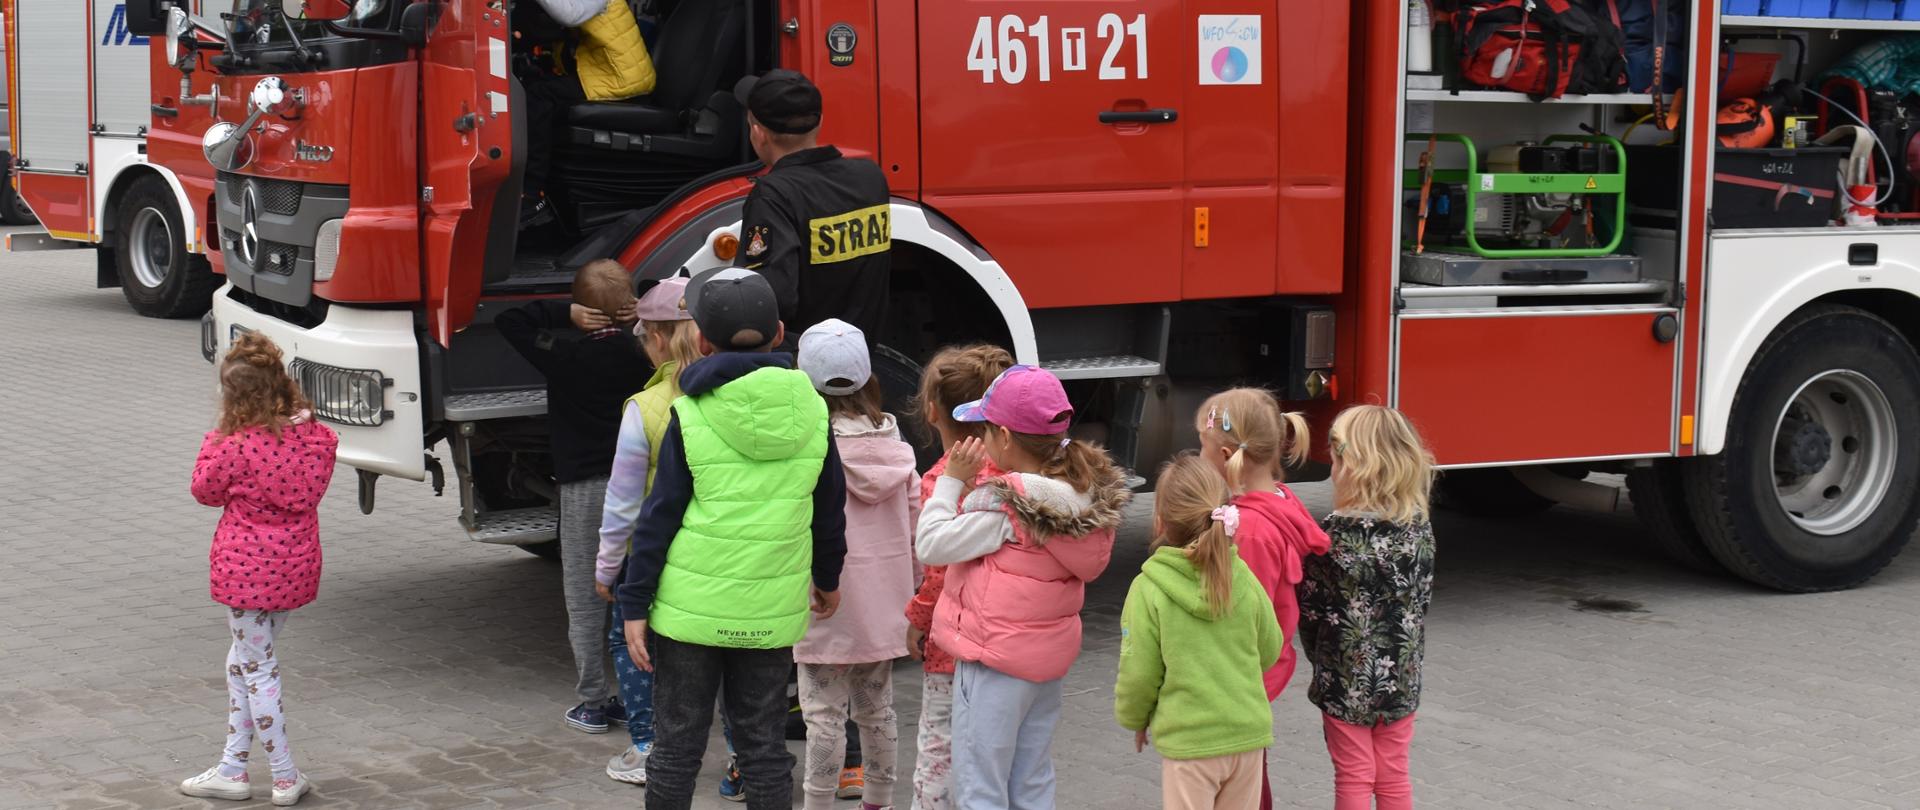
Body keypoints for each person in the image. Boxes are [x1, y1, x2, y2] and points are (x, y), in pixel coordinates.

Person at [617, 267, 849, 810]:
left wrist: (634, 600)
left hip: (688, 613)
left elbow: (660, 516)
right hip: (769, 612)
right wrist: (828, 577)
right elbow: (828, 508)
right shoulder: (814, 411)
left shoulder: (690, 411)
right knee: (763, 748)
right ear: (779, 332)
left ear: (699, 340)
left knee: (675, 750)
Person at [915, 365, 1130, 810]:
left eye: (988, 428)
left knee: (980, 786)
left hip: (993, 663)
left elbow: (931, 545)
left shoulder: (1005, 508)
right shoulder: (1077, 495)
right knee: (1031, 780)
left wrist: (952, 480)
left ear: (1006, 439)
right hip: (1043, 667)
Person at [180, 333, 337, 807]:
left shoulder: (234, 446)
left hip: (245, 570)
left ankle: (284, 776)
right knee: (243, 662)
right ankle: (231, 766)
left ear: (236, 397)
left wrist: (217, 438)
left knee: (258, 668)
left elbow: (203, 491)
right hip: (295, 566)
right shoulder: (318, 438)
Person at [497, 258, 653, 735]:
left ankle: (592, 701)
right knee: (640, 586)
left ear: (586, 311)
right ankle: (641, 693)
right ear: (627, 308)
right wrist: (637, 312)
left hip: (585, 489)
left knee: (586, 595)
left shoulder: (563, 355)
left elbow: (511, 321)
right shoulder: (644, 352)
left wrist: (564, 313)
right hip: (640, 485)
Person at [791, 319, 920, 810]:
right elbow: (915, 533)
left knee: (822, 715)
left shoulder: (806, 449)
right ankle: (879, 801)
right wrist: (915, 600)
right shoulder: (899, 451)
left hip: (823, 601)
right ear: (869, 380)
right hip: (885, 604)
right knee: (877, 710)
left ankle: (818, 804)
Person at [1114, 455, 1282, 810]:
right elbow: (1270, 647)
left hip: (1190, 744)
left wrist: (1135, 717)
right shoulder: (1243, 577)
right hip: (1247, 738)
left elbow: (1140, 671)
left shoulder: (1149, 588)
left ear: (1160, 520)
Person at [1194, 388, 1331, 809]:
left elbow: (1238, 611)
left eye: (1203, 446)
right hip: (1259, 667)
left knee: (1242, 782)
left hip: (1242, 673)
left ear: (1226, 454)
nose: (1199, 457)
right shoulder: (1279, 501)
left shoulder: (1250, 530)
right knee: (1249, 768)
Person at [1297, 406, 1437, 810]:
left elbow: (1312, 611)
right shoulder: (1420, 530)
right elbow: (1420, 600)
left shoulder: (1330, 538)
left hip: (1344, 681)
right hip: (1402, 679)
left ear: (1350, 467)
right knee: (1394, 772)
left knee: (1354, 774)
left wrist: (1321, 659)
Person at [597, 275, 705, 785]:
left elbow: (622, 502)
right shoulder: (729, 393)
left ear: (656, 339)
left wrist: (607, 566)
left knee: (630, 641)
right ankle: (739, 762)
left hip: (650, 553)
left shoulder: (645, 408)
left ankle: (646, 748)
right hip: (711, 549)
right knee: (722, 655)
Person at [903, 344, 1013, 810]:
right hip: (1006, 641)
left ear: (932, 411)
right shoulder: (1013, 470)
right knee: (995, 756)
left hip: (951, 648)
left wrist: (916, 619)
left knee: (937, 751)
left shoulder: (942, 479)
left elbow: (937, 571)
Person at [730, 69, 892, 348]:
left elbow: (770, 299)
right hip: (863, 356)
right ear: (819, 122)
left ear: (758, 133)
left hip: (803, 364)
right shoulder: (870, 176)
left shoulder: (773, 195)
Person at [515, 0, 658, 228]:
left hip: (620, 79)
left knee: (539, 96)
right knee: (533, 83)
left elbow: (569, 15)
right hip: (601, 72)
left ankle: (532, 195)